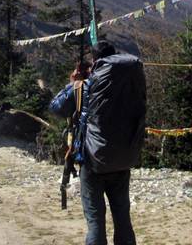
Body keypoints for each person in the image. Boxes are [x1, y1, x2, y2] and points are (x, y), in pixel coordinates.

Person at [50, 41, 147, 245]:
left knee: (95, 222)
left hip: (93, 161)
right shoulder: (128, 84)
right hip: (123, 158)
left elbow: (56, 108)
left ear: (94, 61)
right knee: (123, 219)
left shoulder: (85, 85)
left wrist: (73, 83)